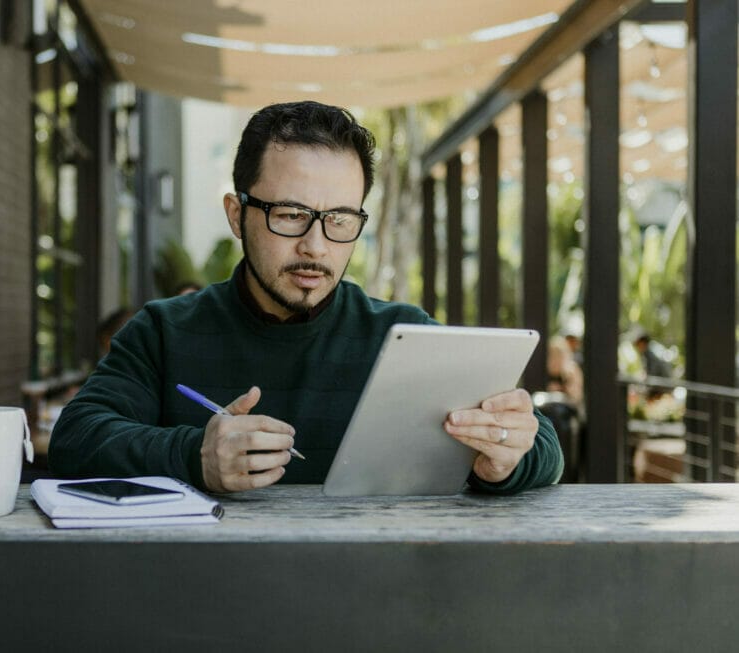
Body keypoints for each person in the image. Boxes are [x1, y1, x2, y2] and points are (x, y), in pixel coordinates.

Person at [50, 101, 563, 494]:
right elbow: (75, 439)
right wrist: (194, 455)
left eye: (340, 219)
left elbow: (543, 446)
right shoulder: (165, 330)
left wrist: (505, 458)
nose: (315, 246)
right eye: (292, 215)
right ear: (237, 215)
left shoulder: (404, 335)